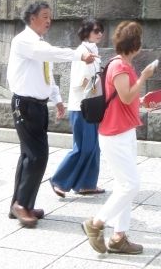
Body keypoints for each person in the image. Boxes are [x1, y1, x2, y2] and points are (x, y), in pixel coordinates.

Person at [7, 1, 96, 228]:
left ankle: (20, 204)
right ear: (32, 18)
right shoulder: (24, 41)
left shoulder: (39, 43)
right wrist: (78, 55)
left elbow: (47, 73)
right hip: (24, 105)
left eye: (50, 16)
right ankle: (21, 204)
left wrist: (57, 100)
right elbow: (49, 54)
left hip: (37, 105)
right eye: (45, 16)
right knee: (37, 156)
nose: (49, 20)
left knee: (29, 155)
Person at [82, 21, 156, 255]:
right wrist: (144, 77)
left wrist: (142, 101)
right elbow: (125, 96)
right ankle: (96, 223)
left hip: (121, 131)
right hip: (116, 134)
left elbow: (126, 97)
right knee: (131, 185)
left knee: (123, 184)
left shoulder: (118, 64)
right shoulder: (121, 67)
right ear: (136, 45)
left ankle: (119, 237)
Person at [50, 17, 105, 197]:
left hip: (92, 106)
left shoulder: (94, 51)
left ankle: (87, 184)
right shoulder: (82, 52)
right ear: (86, 32)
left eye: (100, 31)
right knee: (83, 147)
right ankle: (59, 180)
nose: (100, 34)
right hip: (81, 106)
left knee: (94, 146)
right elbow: (77, 84)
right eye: (96, 31)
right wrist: (94, 79)